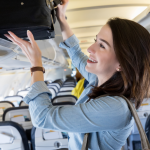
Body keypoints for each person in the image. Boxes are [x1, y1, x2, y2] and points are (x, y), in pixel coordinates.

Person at [4, 0, 150, 149]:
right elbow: (76, 54)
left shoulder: (116, 108)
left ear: (122, 64)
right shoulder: (99, 80)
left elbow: (42, 117)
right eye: (95, 40)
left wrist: (36, 65)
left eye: (102, 45)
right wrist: (61, 18)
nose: (90, 49)